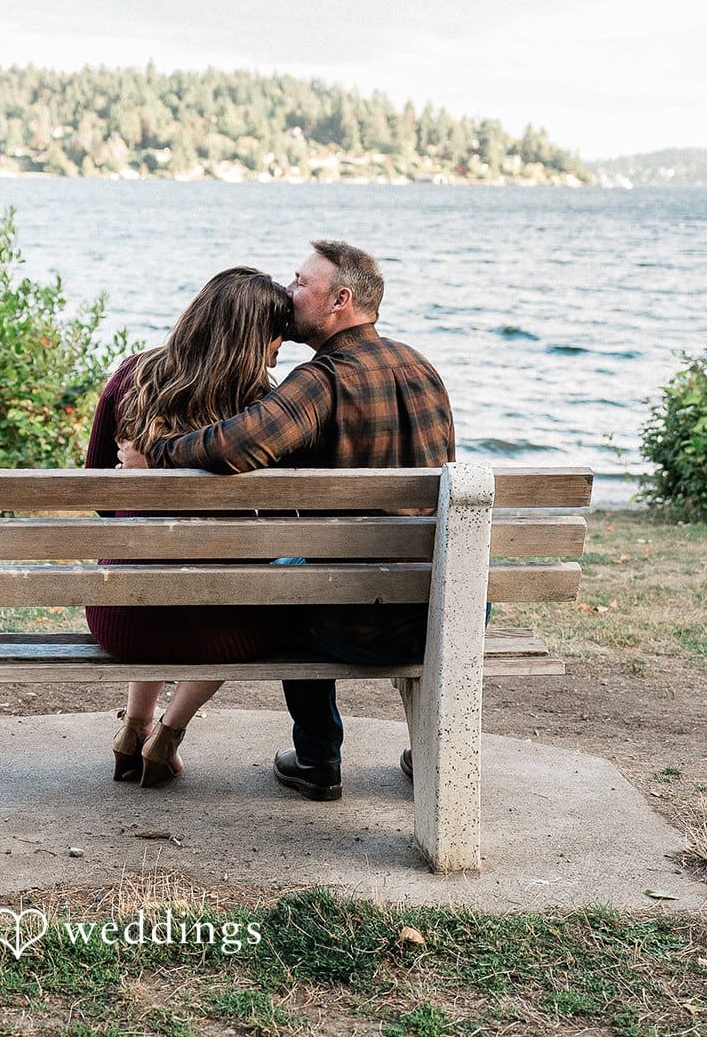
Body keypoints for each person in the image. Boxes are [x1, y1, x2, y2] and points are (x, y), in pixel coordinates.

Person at [135, 239, 455, 803]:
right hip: (446, 608)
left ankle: (317, 758)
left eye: (301, 283)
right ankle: (428, 748)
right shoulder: (421, 367)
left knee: (293, 577)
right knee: (319, 565)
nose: (289, 293)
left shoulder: (322, 380)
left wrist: (155, 453)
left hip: (357, 624)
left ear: (341, 300)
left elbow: (232, 448)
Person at [84, 266, 293, 787]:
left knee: (146, 567)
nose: (280, 348)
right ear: (254, 337)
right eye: (277, 335)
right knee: (255, 592)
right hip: (224, 631)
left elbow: (97, 493)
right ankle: (168, 735)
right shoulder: (264, 408)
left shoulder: (133, 375)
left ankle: (134, 726)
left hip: (120, 619)